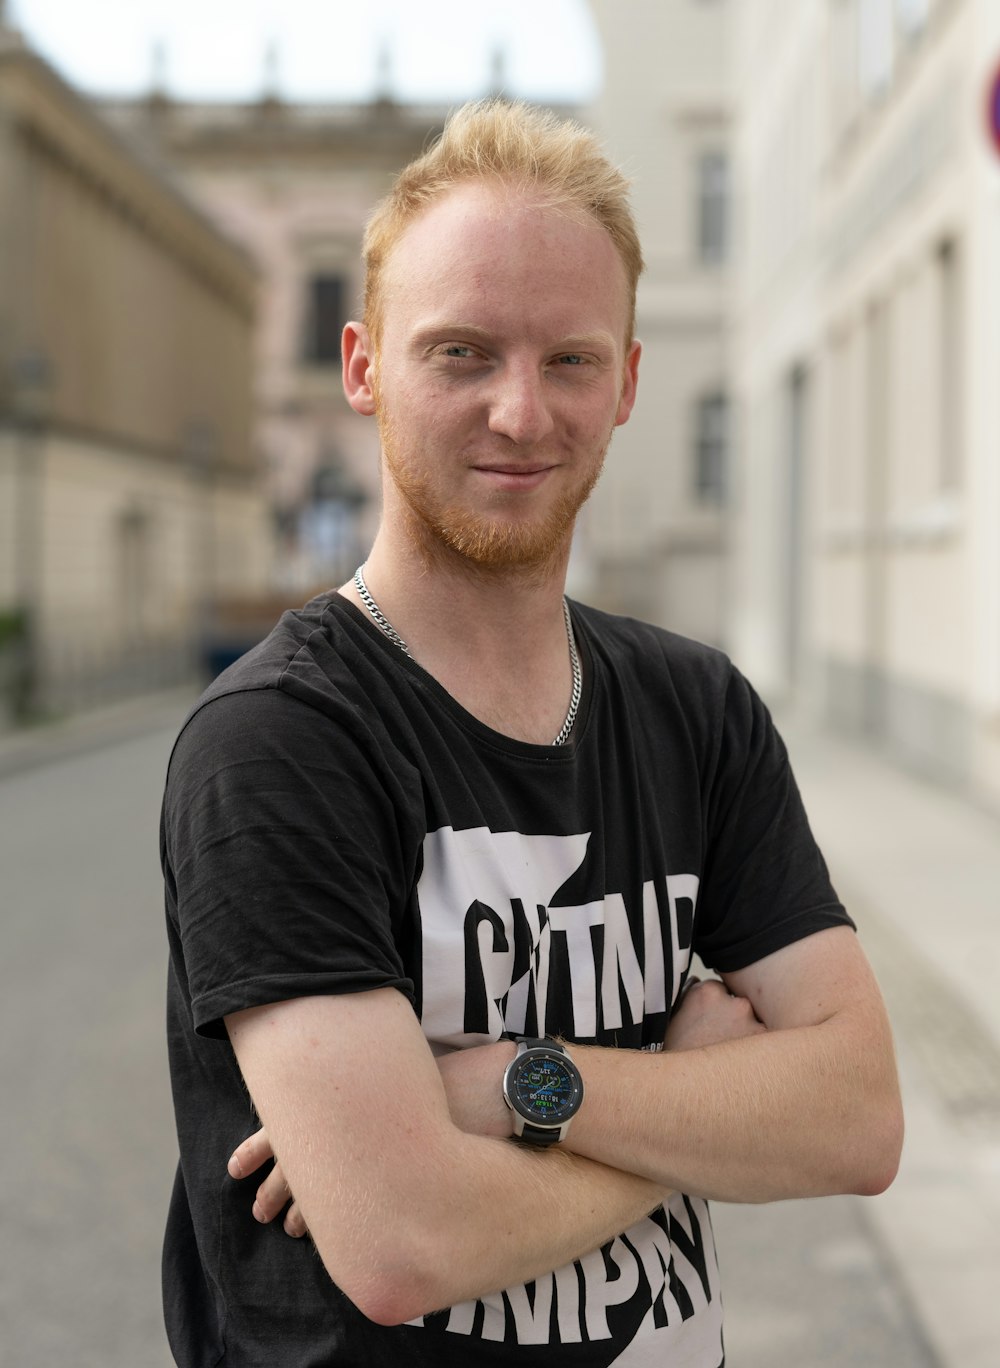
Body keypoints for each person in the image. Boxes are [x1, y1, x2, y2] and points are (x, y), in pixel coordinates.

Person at [160, 99, 903, 1367]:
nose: (520, 413)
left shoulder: (694, 707)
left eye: (568, 360)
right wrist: (682, 1090)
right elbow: (405, 1246)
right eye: (459, 354)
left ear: (624, 382)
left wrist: (505, 1082)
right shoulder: (280, 744)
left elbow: (858, 1121)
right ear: (362, 366)